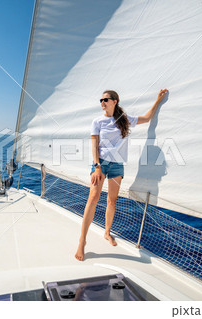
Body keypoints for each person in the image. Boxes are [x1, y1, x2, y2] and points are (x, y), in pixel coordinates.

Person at [75, 88, 168, 261]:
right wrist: (97, 167)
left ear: (115, 101)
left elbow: (147, 118)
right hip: (100, 164)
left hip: (117, 165)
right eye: (101, 100)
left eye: (106, 100)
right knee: (93, 198)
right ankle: (82, 241)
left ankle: (107, 233)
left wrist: (158, 100)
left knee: (112, 201)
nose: (102, 103)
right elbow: (94, 146)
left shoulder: (124, 119)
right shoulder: (97, 122)